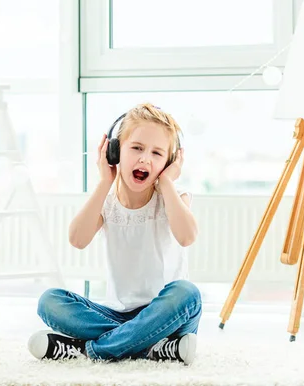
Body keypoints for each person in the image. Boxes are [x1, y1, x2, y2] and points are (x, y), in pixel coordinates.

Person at [27, 103, 201, 365]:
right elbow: (77, 239)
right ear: (115, 151)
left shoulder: (173, 197)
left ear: (168, 162)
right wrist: (104, 181)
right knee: (49, 301)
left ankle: (90, 350)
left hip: (167, 316)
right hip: (117, 316)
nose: (145, 159)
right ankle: (152, 347)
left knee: (187, 293)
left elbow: (187, 237)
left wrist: (167, 183)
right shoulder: (106, 203)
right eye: (137, 148)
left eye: (157, 153)